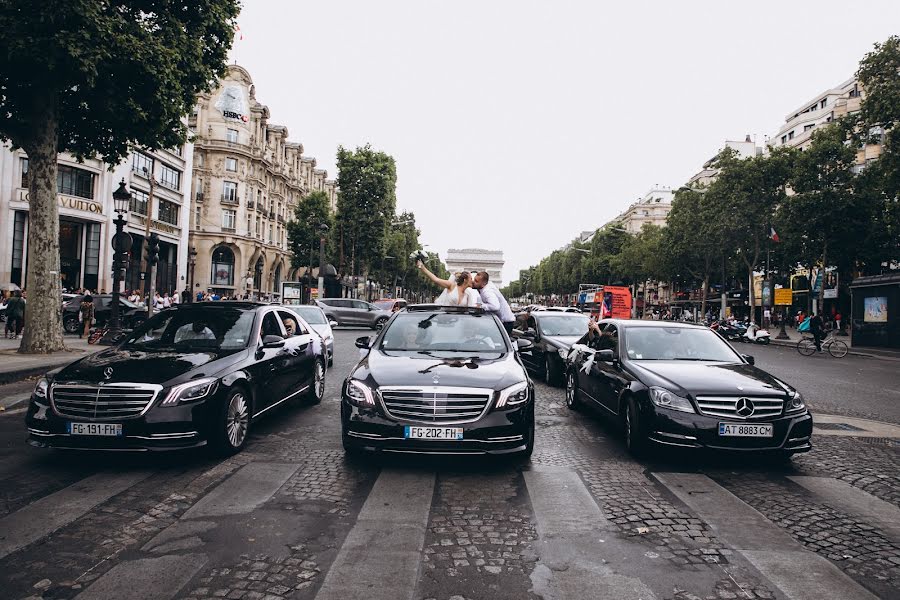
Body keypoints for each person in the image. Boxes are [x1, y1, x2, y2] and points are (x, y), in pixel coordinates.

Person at [416, 260, 480, 307]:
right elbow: (436, 279)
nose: (473, 281)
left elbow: (470, 309)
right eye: (471, 279)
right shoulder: (451, 285)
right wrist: (422, 267)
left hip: (459, 322)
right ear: (465, 280)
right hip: (447, 320)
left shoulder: (468, 294)